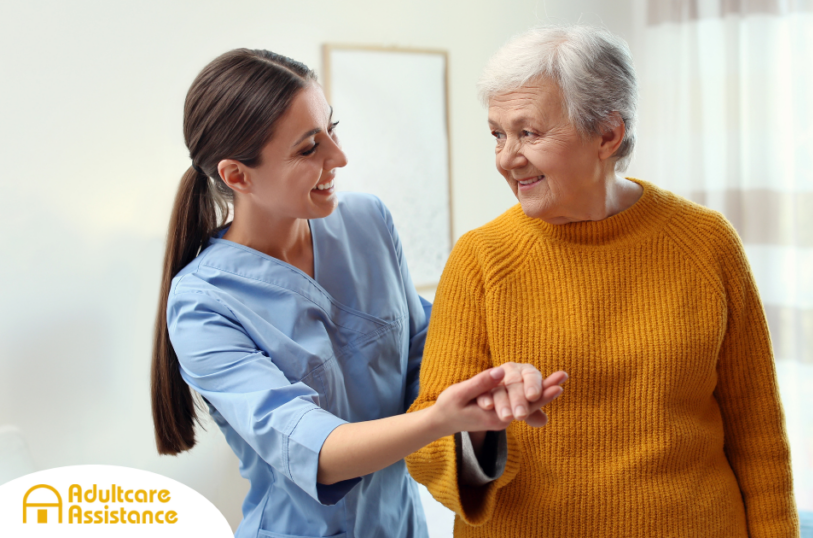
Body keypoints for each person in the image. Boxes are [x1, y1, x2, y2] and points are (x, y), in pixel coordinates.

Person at [149, 49, 565, 538]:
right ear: (237, 176)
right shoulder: (203, 302)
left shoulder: (368, 222)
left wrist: (485, 394)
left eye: (332, 129)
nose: (339, 157)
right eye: (309, 149)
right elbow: (315, 453)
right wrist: (440, 417)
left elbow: (422, 358)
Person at [406, 26, 799, 537]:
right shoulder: (480, 258)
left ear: (607, 135)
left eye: (529, 133)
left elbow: (759, 436)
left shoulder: (706, 242)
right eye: (498, 134)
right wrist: (480, 425)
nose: (507, 157)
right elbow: (427, 447)